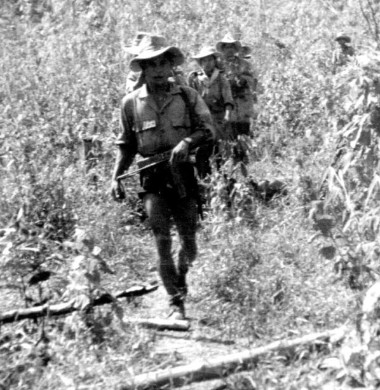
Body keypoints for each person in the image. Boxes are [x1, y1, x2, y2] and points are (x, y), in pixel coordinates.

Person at [111, 35, 215, 320]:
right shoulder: (131, 103)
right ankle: (174, 300)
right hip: (151, 176)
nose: (157, 69)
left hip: (182, 171)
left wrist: (187, 142)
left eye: (162, 63)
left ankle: (181, 278)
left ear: (171, 65)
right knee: (161, 238)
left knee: (189, 241)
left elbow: (208, 129)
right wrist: (115, 177)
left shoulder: (187, 96)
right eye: (150, 64)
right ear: (142, 68)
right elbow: (126, 145)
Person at [188, 46, 234, 178]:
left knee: (220, 152)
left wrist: (227, 117)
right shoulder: (195, 79)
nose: (207, 63)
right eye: (204, 61)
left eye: (210, 60)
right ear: (200, 63)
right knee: (202, 152)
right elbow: (191, 102)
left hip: (218, 119)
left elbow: (228, 101)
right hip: (202, 121)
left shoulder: (221, 79)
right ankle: (205, 179)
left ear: (214, 61)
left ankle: (223, 179)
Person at [216, 33, 258, 139]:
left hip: (243, 102)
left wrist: (244, 80)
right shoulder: (218, 64)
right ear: (223, 49)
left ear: (235, 49)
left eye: (232, 47)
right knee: (228, 132)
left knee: (244, 131)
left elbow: (253, 81)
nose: (229, 50)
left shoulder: (245, 64)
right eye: (227, 47)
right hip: (226, 103)